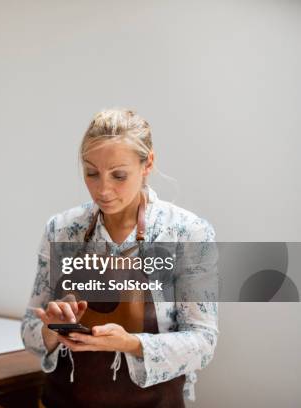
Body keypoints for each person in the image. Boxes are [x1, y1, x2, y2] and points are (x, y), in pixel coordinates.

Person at [21, 108, 218, 408]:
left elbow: (203, 342)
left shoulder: (187, 233)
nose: (103, 189)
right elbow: (29, 331)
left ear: (147, 163)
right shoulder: (61, 230)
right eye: (91, 173)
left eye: (119, 175)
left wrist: (129, 343)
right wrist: (52, 329)